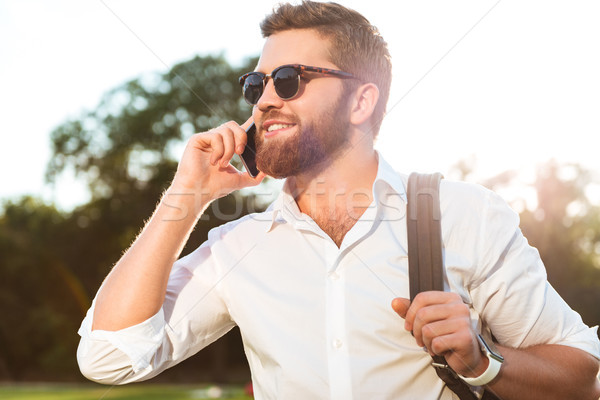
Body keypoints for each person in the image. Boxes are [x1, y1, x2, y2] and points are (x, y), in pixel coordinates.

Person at [77, 1, 600, 399]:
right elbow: (109, 358)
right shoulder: (238, 246)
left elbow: (580, 373)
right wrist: (185, 197)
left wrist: (482, 361)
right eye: (256, 83)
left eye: (289, 80)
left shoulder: (465, 215)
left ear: (361, 100)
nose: (264, 100)